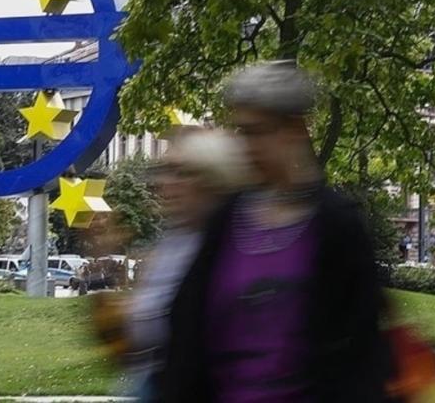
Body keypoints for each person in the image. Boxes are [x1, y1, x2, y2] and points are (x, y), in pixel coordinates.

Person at [159, 61, 395, 402]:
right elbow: (187, 333)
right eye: (240, 132)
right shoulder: (225, 221)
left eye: (256, 132)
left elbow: (360, 352)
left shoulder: (336, 225)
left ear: (294, 129)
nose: (246, 146)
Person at [124, 128, 251, 401]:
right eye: (163, 170)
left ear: (215, 181)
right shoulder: (173, 241)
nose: (164, 182)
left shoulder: (230, 252)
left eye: (180, 172)